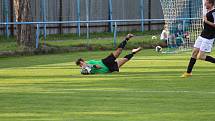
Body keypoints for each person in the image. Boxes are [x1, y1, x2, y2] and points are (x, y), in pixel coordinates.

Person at [76, 34, 142, 75]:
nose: (82, 65)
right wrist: (85, 70)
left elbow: (99, 66)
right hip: (109, 69)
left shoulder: (89, 62)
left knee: (118, 51)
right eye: (80, 65)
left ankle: (127, 38)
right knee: (125, 60)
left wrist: (89, 65)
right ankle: (133, 52)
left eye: (81, 63)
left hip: (105, 62)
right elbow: (85, 73)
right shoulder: (85, 70)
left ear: (83, 61)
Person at [181, 0, 215, 78]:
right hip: (202, 35)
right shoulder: (207, 11)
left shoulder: (213, 12)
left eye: (206, 3)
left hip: (209, 37)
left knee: (201, 56)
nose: (205, 5)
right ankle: (188, 72)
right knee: (194, 53)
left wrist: (206, 21)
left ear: (211, 4)